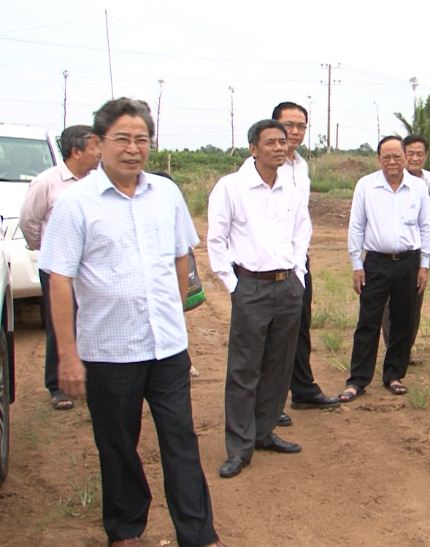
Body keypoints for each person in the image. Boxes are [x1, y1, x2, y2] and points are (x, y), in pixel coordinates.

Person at [39, 98, 222, 546]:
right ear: (99, 143)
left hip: (167, 347)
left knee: (181, 440)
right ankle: (125, 530)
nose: (133, 148)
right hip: (109, 350)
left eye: (142, 139)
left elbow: (181, 255)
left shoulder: (166, 194)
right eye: (122, 139)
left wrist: (173, 310)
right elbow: (59, 280)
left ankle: (198, 534)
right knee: (118, 444)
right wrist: (67, 356)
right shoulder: (76, 203)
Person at [208, 119, 311, 479]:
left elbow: (302, 232)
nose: (280, 148)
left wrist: (298, 275)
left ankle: (264, 431)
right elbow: (216, 239)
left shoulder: (291, 188)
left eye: (283, 142)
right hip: (250, 286)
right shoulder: (231, 187)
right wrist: (233, 285)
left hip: (287, 286)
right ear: (253, 149)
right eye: (271, 142)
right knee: (244, 369)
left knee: (279, 365)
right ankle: (239, 446)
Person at [341, 135, 430, 402]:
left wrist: (424, 265)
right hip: (376, 263)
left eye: (397, 156)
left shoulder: (418, 187)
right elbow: (356, 225)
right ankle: (358, 380)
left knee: (403, 320)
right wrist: (357, 264)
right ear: (378, 159)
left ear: (405, 157)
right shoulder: (366, 186)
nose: (392, 162)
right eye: (386, 157)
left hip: (409, 262)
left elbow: (427, 226)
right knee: (368, 321)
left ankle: (394, 375)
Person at [19, 124, 99, 411]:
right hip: (58, 268)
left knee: (91, 320)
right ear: (76, 152)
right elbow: (29, 221)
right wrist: (47, 250)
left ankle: (90, 378)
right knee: (60, 322)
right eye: (94, 147)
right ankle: (57, 385)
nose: (100, 153)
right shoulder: (47, 182)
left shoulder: (98, 182)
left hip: (92, 267)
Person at [272, 102, 340, 430]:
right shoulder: (261, 167)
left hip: (299, 258)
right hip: (269, 262)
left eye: (301, 125)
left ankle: (302, 388)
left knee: (300, 324)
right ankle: (268, 402)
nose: (295, 131)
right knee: (272, 332)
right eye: (289, 124)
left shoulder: (301, 167)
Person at [380, 135, 430, 360]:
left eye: (419, 154)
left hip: (418, 252)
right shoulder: (380, 183)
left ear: (426, 156)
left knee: (413, 303)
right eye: (410, 153)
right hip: (388, 253)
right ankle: (393, 348)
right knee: (388, 305)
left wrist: (427, 256)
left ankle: (406, 348)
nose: (414, 158)